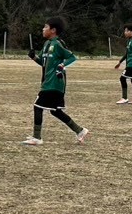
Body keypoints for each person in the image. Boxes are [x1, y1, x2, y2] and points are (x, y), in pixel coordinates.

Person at [21, 17, 88, 145]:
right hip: (47, 82)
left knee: (37, 106)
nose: (43, 29)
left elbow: (71, 57)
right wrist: (33, 57)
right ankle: (80, 130)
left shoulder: (58, 44)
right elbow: (43, 62)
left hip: (55, 83)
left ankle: (37, 138)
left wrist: (62, 66)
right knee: (55, 111)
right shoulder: (47, 44)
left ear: (53, 30)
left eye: (45, 27)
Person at [114, 24, 132, 104]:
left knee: (122, 78)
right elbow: (127, 54)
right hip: (131, 63)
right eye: (125, 31)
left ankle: (124, 98)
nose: (125, 32)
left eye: (127, 31)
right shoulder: (129, 41)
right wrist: (120, 62)